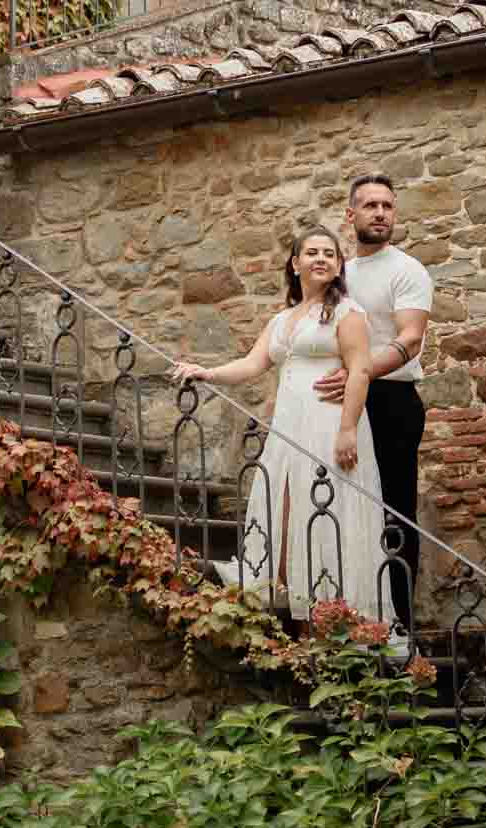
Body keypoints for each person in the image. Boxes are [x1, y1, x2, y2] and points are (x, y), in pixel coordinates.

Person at [171, 226, 386, 622]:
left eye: (329, 254)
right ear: (295, 263)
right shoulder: (281, 319)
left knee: (329, 507)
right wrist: (207, 372)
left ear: (339, 266)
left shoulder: (348, 313)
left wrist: (348, 428)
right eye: (312, 252)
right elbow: (253, 364)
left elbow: (359, 372)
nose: (321, 259)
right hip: (289, 426)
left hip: (328, 423)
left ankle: (335, 613)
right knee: (286, 505)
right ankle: (294, 596)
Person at [315, 174, 431, 632]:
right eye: (370, 206)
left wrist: (360, 373)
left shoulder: (407, 270)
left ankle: (401, 624)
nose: (380, 213)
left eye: (387, 206)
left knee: (395, 509)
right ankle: (348, 613)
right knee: (341, 506)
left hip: (392, 400)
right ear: (351, 215)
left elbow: (411, 339)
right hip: (341, 401)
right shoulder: (340, 272)